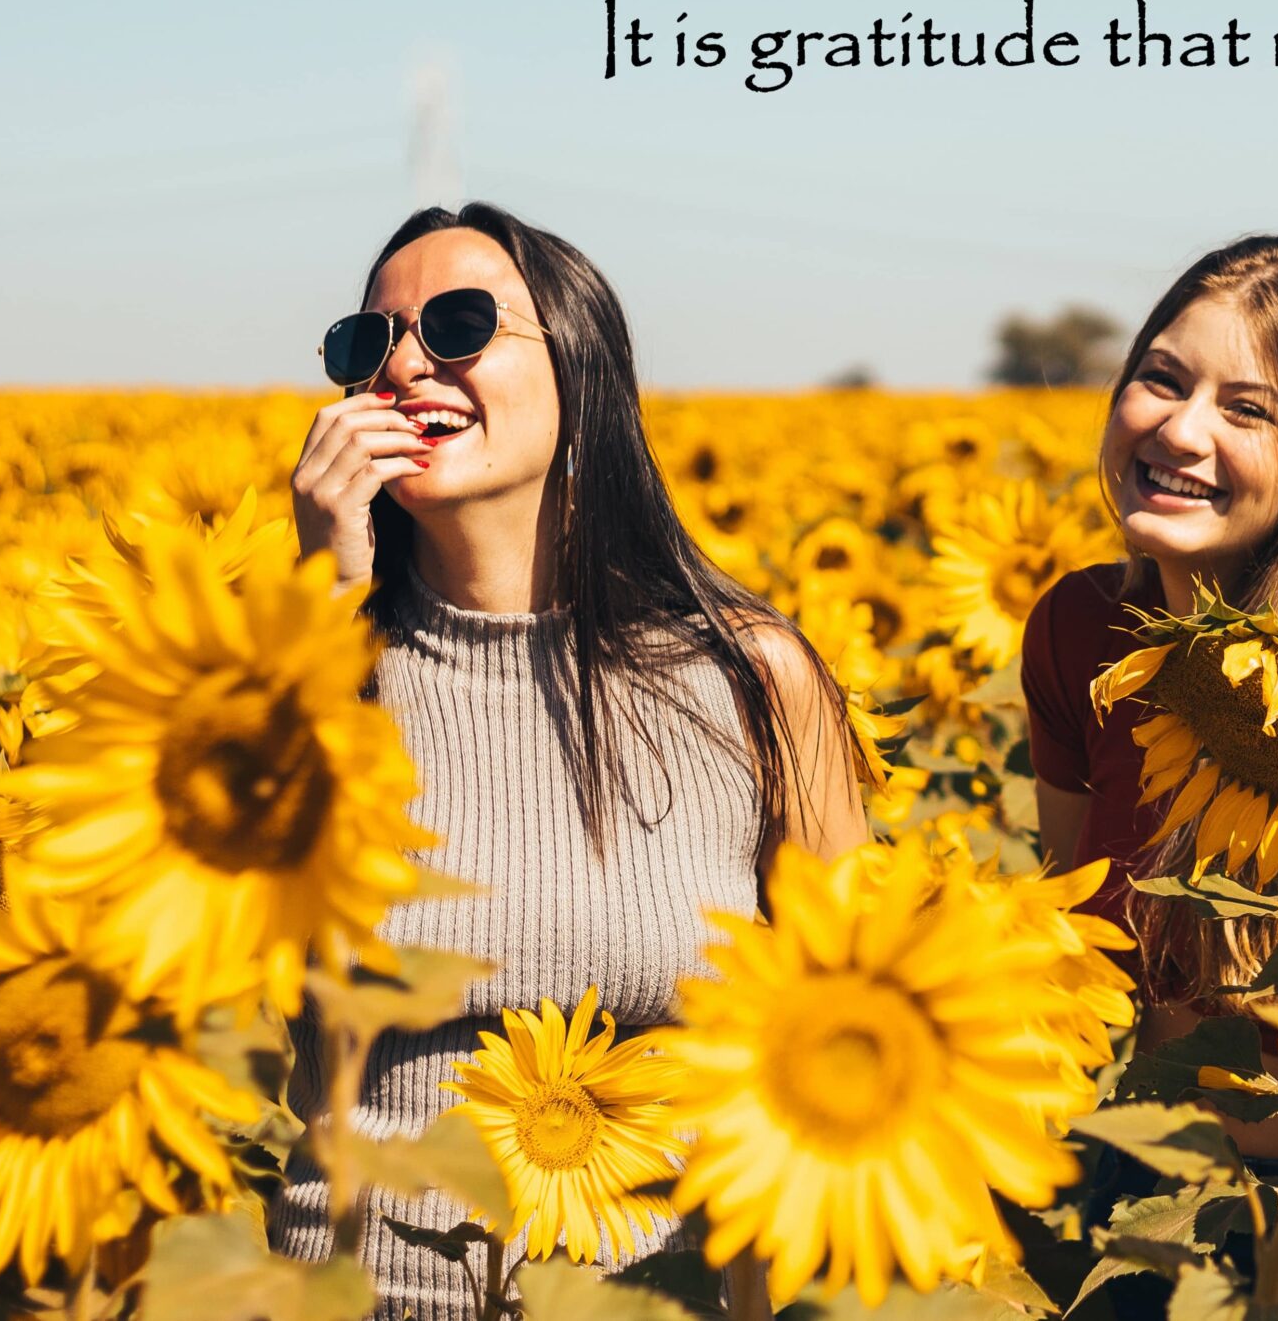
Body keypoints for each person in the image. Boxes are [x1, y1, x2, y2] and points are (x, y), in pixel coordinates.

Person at [273, 202, 867, 1317]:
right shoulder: (294, 676)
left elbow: (853, 1029)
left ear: (583, 369)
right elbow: (223, 993)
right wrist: (323, 609)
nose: (403, 364)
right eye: (369, 343)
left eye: (456, 325)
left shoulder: (750, 681)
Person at [1022, 234, 1278, 1157]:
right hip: (1120, 1169)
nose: (1181, 430)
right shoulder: (1079, 629)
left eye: (1246, 409)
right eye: (1162, 379)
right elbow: (1071, 916)